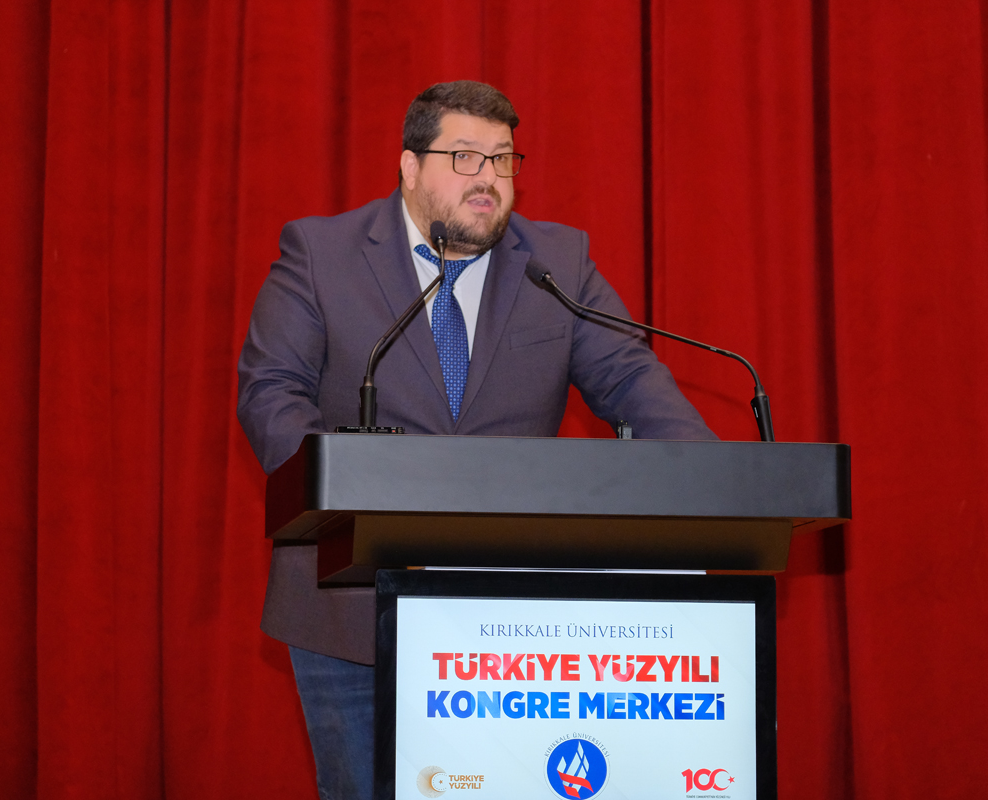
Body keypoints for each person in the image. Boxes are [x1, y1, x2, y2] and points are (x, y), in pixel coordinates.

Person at [237, 80, 716, 800]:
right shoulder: (321, 253)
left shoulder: (555, 263)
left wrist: (709, 478)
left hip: (512, 621)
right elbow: (271, 391)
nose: (488, 176)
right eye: (464, 157)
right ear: (409, 166)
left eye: (503, 158)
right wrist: (344, 492)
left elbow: (629, 376)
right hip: (351, 602)